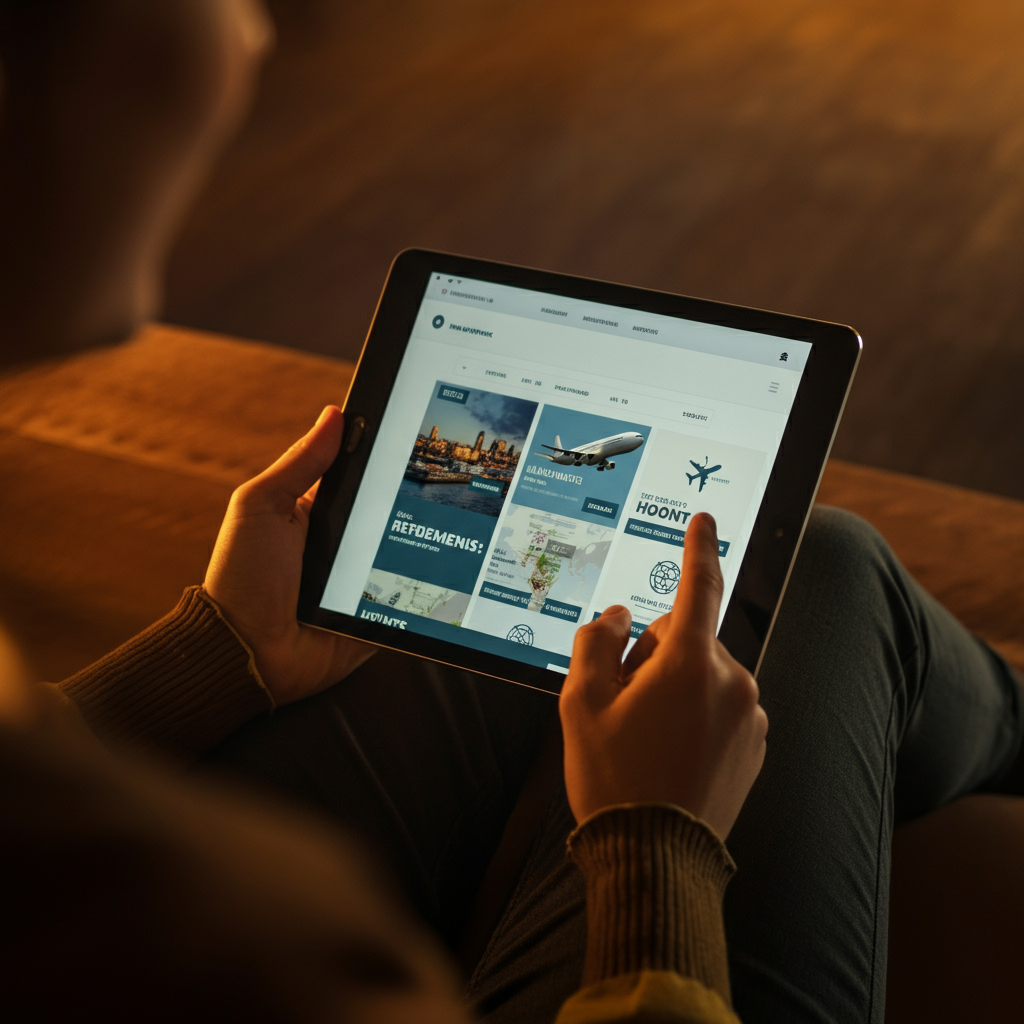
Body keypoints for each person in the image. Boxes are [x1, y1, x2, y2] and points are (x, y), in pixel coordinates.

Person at [1, 2, 1021, 1021]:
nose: (254, 32)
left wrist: (218, 651)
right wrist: (655, 835)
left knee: (488, 625)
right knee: (825, 567)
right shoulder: (262, 944)